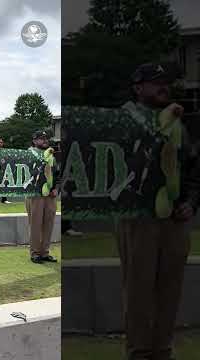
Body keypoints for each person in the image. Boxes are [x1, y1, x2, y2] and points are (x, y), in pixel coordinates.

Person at [116, 62, 200, 360]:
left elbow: (193, 167)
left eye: (166, 82)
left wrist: (191, 201)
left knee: (170, 289)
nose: (163, 86)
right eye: (155, 82)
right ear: (138, 87)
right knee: (138, 289)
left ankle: (163, 350)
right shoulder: (123, 121)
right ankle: (139, 353)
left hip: (176, 218)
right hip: (138, 217)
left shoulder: (179, 123)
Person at [25, 131, 58, 264]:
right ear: (34, 141)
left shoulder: (51, 154)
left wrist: (55, 188)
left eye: (45, 138)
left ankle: (45, 252)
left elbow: (56, 172)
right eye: (41, 138)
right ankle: (35, 253)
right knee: (35, 224)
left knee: (48, 223)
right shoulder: (29, 153)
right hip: (35, 194)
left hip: (50, 194)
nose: (45, 140)